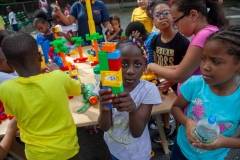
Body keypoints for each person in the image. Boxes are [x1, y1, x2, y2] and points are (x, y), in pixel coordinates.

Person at [0, 32, 81, 160]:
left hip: (36, 155)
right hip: (67, 150)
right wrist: (58, 72)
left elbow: (14, 112)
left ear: (10, 64)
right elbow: (77, 89)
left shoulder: (5, 88)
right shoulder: (57, 77)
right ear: (39, 56)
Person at [171, 25, 240, 160]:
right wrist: (188, 122)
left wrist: (224, 142)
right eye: (203, 58)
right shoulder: (195, 83)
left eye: (215, 61)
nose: (205, 67)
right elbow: (175, 108)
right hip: (181, 150)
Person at [96, 37, 162, 160]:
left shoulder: (148, 90)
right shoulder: (108, 85)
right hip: (114, 149)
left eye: (137, 64)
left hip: (137, 154)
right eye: (123, 63)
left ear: (145, 67)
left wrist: (132, 110)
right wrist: (104, 109)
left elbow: (137, 133)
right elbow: (104, 127)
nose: (130, 71)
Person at [147, 0, 228, 96]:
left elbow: (179, 74)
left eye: (176, 20)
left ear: (193, 15)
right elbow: (189, 68)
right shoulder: (201, 34)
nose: (175, 25)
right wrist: (163, 71)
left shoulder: (204, 36)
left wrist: (152, 66)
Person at [149, 0, 190, 144]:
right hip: (162, 81)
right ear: (153, 21)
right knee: (164, 105)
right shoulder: (155, 40)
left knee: (178, 108)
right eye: (157, 15)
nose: (162, 17)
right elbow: (156, 63)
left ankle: (177, 132)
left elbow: (186, 67)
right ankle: (166, 128)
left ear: (173, 16)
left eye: (166, 13)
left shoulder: (183, 42)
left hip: (178, 82)